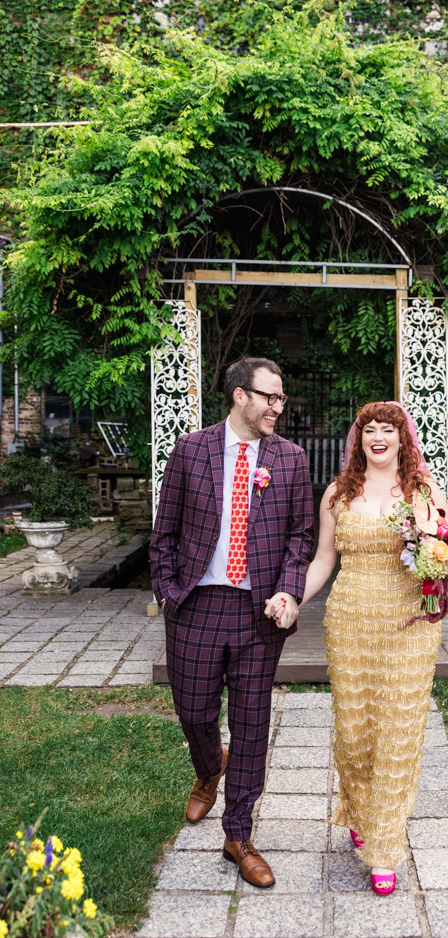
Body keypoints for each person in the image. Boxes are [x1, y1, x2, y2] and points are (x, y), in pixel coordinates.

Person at [149, 356, 314, 889]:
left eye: (281, 398)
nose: (277, 407)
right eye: (269, 396)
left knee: (250, 724)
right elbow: (164, 533)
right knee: (193, 711)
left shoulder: (290, 459)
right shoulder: (192, 450)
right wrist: (171, 594)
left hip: (257, 612)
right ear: (239, 396)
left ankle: (238, 834)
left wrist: (289, 590)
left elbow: (300, 538)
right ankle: (207, 767)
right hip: (197, 604)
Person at [283, 400, 447, 895]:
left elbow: (442, 551)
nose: (378, 437)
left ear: (403, 438)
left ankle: (383, 849)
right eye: (369, 430)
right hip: (350, 622)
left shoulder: (423, 489)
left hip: (409, 626)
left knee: (398, 734)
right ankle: (356, 808)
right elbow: (322, 561)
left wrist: (441, 559)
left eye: (387, 430)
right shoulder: (337, 493)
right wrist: (292, 597)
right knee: (355, 735)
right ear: (359, 438)